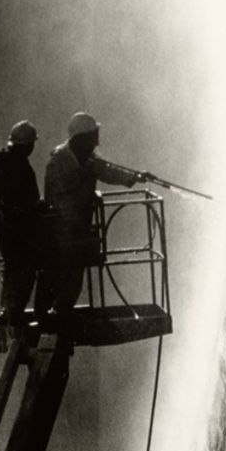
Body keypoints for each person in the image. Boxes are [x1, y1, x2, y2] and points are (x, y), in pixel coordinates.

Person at [38, 112, 139, 326]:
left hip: (76, 228)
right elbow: (57, 197)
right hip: (62, 228)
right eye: (94, 134)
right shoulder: (59, 162)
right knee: (60, 272)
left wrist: (133, 177)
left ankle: (59, 311)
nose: (97, 139)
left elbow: (106, 170)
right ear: (81, 138)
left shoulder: (85, 156)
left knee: (74, 272)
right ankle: (48, 313)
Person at [0, 119, 47, 333]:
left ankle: (10, 311)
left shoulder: (5, 163)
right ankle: (14, 314)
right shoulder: (18, 166)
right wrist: (36, 208)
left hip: (7, 226)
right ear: (26, 145)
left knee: (14, 268)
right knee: (25, 269)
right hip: (18, 228)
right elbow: (22, 200)